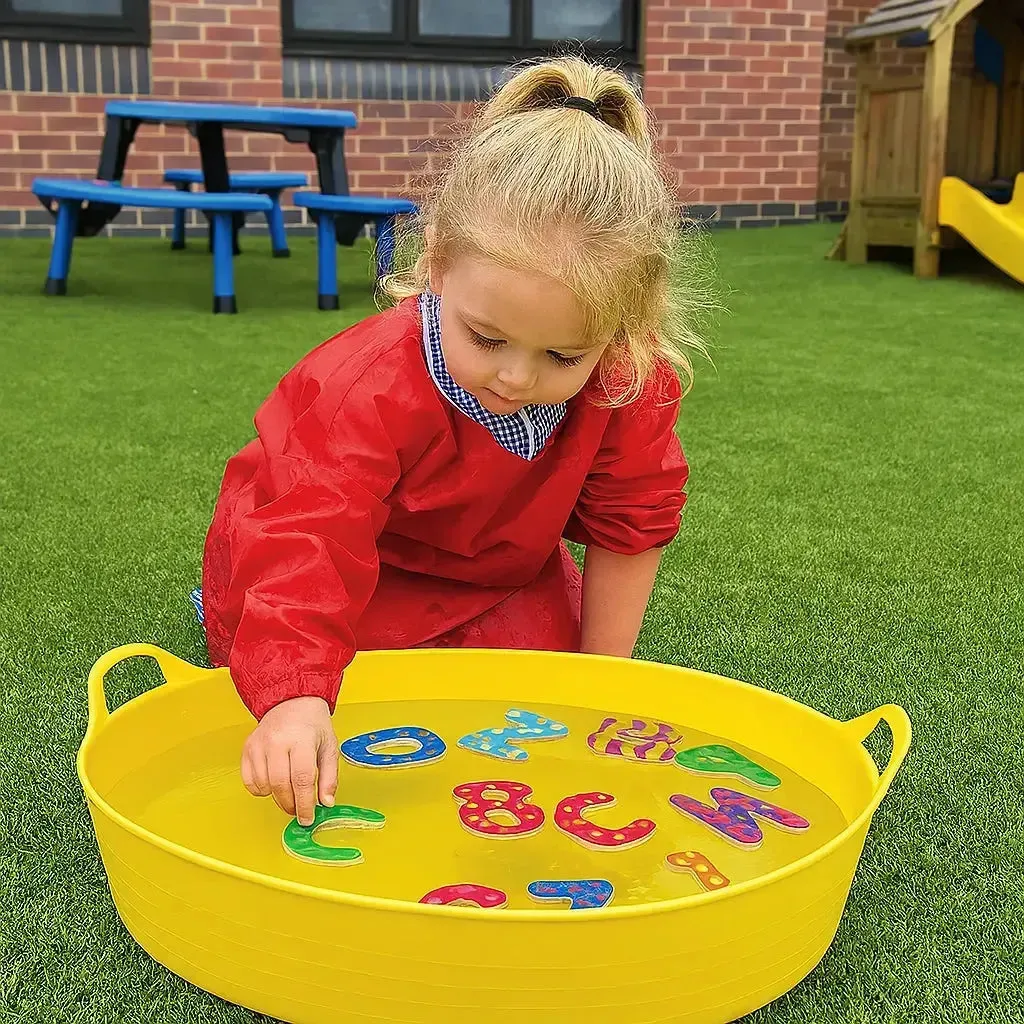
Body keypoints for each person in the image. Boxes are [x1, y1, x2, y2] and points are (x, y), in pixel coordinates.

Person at [200, 55, 710, 828]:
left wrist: (602, 687)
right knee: (332, 702)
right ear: (436, 261)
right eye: (487, 336)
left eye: (561, 357)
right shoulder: (365, 383)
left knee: (528, 705)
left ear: (624, 326)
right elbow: (310, 531)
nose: (514, 376)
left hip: (494, 575)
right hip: (345, 567)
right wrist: (295, 694)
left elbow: (632, 520)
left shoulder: (627, 372)